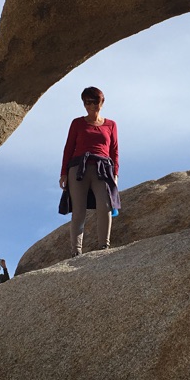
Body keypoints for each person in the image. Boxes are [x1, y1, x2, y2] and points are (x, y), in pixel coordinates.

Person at [59, 86, 120, 256]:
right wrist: (63, 173)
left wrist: (115, 174)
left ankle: (104, 246)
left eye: (95, 102)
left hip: (103, 168)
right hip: (79, 168)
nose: (91, 106)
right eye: (88, 102)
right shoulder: (77, 123)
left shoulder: (111, 125)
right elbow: (68, 148)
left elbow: (114, 151)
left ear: (102, 102)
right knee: (79, 210)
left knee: (105, 206)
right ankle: (76, 251)